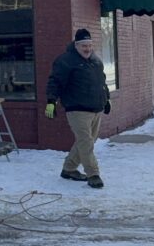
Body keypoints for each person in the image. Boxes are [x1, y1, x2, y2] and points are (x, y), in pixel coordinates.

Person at [45, 28, 111, 189]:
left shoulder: (95, 60)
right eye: (84, 46)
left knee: (88, 141)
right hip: (77, 109)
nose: (87, 49)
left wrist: (106, 99)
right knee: (86, 142)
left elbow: (101, 82)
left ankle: (69, 168)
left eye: (89, 45)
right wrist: (51, 101)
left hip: (96, 108)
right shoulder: (65, 61)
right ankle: (93, 174)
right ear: (76, 45)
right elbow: (55, 81)